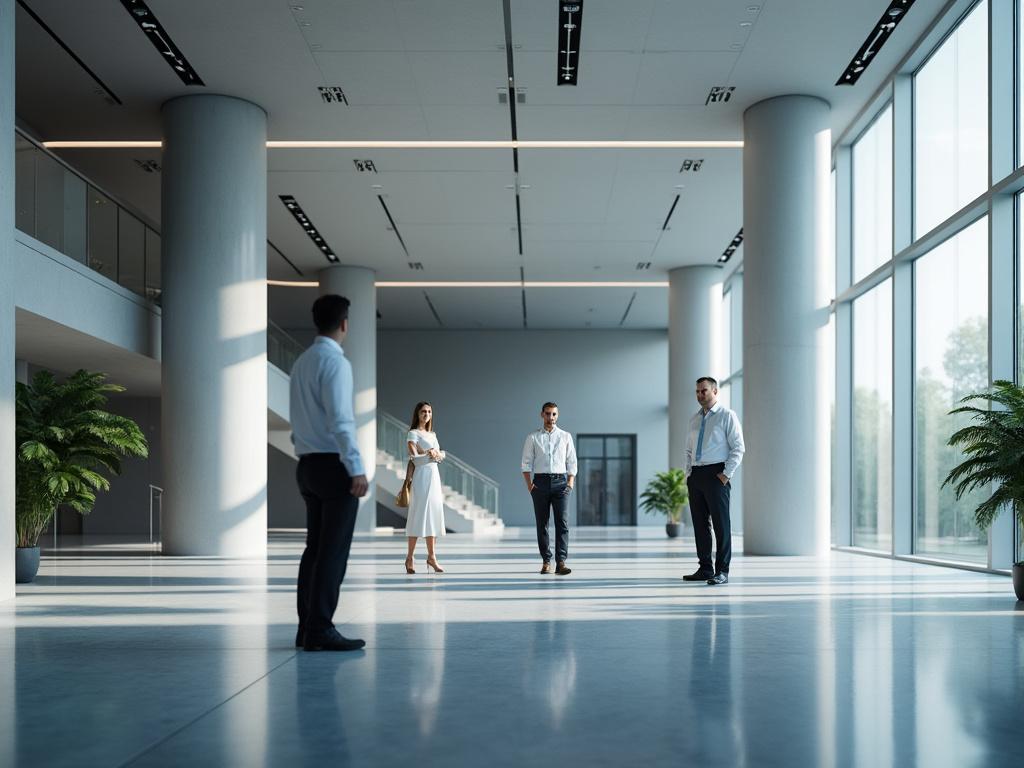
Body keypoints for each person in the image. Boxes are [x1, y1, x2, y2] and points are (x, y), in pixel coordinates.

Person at [289, 294, 369, 651]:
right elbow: (341, 420)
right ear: (344, 324)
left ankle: (307, 627)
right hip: (333, 466)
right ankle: (320, 629)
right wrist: (356, 467)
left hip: (306, 465)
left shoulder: (302, 363)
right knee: (332, 552)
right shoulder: (335, 363)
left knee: (314, 551)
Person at [683, 376, 745, 586]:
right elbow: (689, 450)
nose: (700, 394)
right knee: (700, 525)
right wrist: (688, 474)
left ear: (715, 392)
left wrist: (726, 474)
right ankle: (705, 568)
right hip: (697, 476)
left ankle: (722, 571)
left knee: (721, 525)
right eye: (698, 391)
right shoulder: (694, 419)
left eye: (705, 391)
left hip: (717, 474)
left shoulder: (727, 416)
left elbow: (738, 447)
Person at [522, 402, 577, 575]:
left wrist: (570, 482)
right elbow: (526, 463)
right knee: (542, 524)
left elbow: (572, 461)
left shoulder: (566, 436)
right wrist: (530, 486)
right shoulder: (533, 437)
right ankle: (546, 561)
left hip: (561, 483)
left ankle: (561, 562)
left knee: (562, 523)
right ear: (542, 415)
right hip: (540, 483)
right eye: (547, 414)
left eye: (554, 414)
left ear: (557, 415)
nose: (551, 418)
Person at [404, 401, 447, 574]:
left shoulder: (433, 434)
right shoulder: (412, 434)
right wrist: (431, 454)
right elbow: (414, 458)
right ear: (418, 414)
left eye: (429, 411)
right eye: (423, 411)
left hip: (434, 477)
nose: (426, 414)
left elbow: (442, 455)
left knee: (433, 515)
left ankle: (432, 557)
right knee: (418, 514)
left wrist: (435, 454)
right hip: (421, 478)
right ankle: (410, 557)